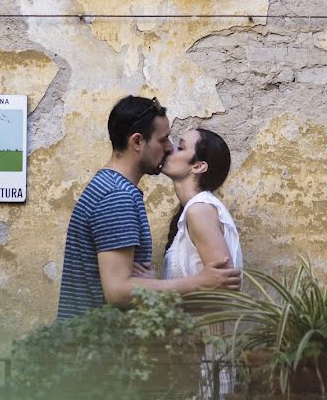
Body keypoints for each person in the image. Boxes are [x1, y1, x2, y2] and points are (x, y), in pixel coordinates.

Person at [57, 96, 241, 321]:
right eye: (163, 140)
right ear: (137, 142)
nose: (168, 148)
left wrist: (156, 283)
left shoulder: (113, 188)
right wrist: (199, 282)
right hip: (96, 347)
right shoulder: (118, 196)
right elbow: (117, 291)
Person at [159, 127, 245, 400]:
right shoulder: (194, 211)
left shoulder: (200, 209)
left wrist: (158, 291)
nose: (170, 150)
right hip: (196, 345)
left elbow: (222, 279)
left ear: (199, 166)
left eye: (179, 146)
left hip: (204, 343)